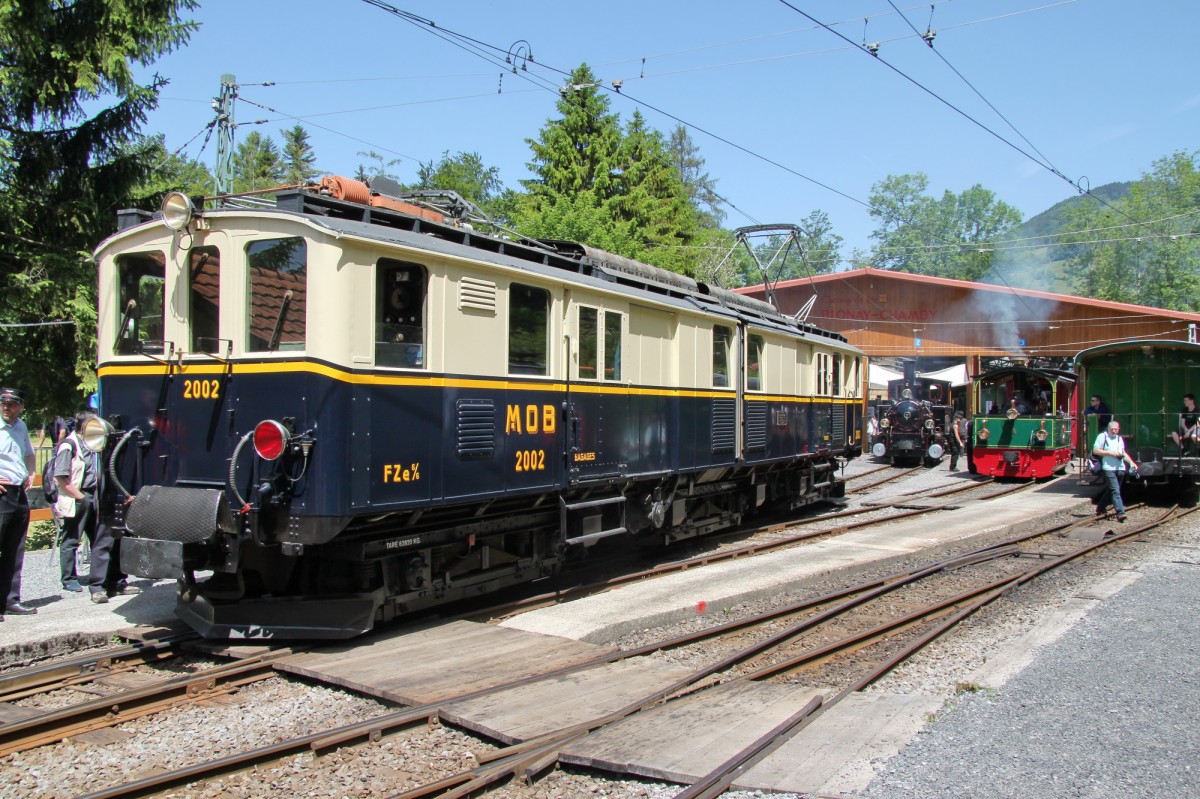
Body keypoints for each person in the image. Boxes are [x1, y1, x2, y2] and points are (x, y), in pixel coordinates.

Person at [55, 411, 138, 603]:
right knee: (75, 538)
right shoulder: (69, 445)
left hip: (101, 494)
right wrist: (80, 496)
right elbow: (61, 475)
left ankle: (112, 582)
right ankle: (82, 582)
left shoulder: (95, 442)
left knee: (108, 539)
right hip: (83, 495)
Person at [0, 388, 38, 618]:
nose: (7, 407)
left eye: (12, 404)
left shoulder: (21, 427)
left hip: (17, 491)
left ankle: (10, 600)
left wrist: (32, 472)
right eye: (3, 403)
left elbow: (29, 453)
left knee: (15, 549)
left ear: (21, 406)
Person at [1092, 419, 1138, 522]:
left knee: (1111, 489)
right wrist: (1110, 453)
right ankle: (1120, 513)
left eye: (1116, 429)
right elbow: (1095, 450)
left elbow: (1123, 452)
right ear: (1108, 429)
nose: (1114, 431)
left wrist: (1131, 462)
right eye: (1112, 429)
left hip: (1120, 468)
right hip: (1108, 468)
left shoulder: (1119, 439)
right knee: (1115, 490)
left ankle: (1100, 508)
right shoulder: (1102, 437)